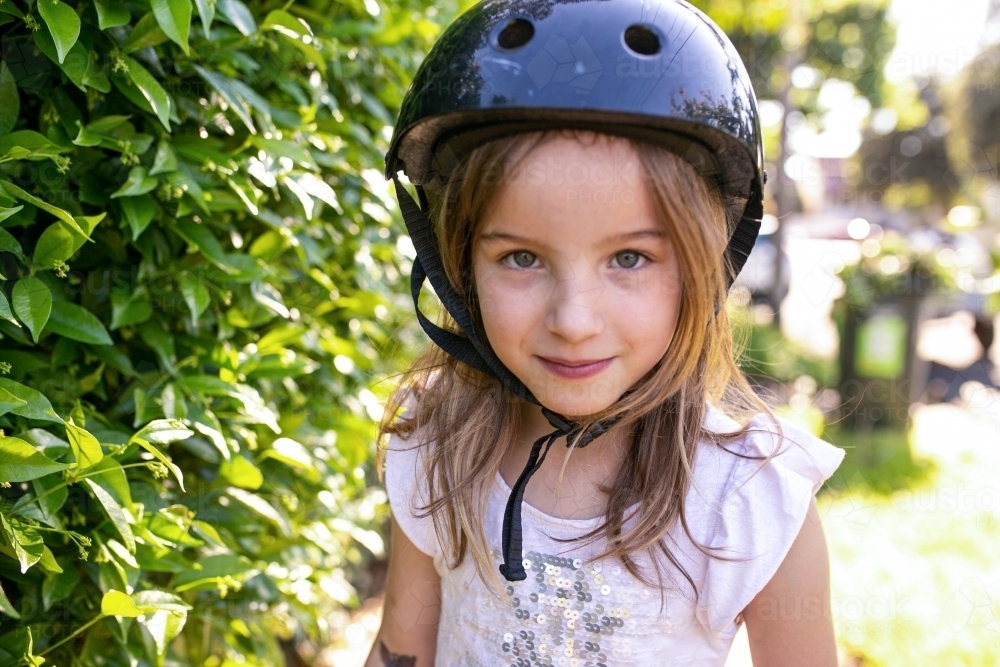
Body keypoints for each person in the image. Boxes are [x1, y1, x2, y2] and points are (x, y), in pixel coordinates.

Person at [367, 1, 846, 665]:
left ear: (705, 266)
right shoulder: (439, 442)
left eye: (629, 259)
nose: (574, 321)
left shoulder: (750, 503)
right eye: (522, 258)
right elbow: (402, 648)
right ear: (458, 264)